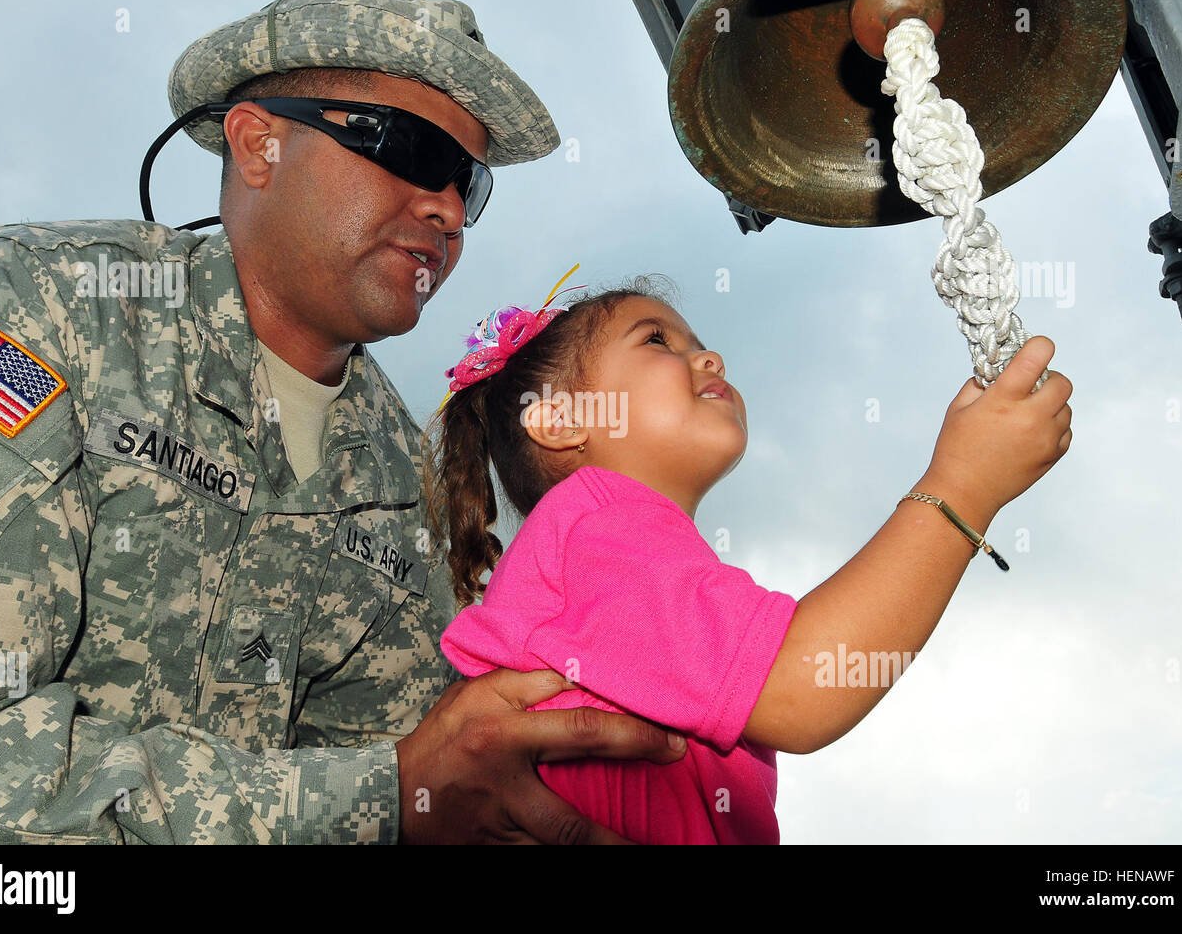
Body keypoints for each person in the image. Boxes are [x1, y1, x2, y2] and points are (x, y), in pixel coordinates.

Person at [0, 0, 684, 845]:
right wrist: (384, 796)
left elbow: (440, 777)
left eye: (464, 183)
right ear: (258, 144)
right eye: (406, 145)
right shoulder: (23, 311)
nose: (442, 209)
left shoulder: (410, 486)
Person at [424, 286, 1074, 843]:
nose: (709, 355)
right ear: (562, 420)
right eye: (657, 340)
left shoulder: (610, 548)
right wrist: (963, 487)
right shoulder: (593, 522)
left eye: (696, 341)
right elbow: (803, 684)